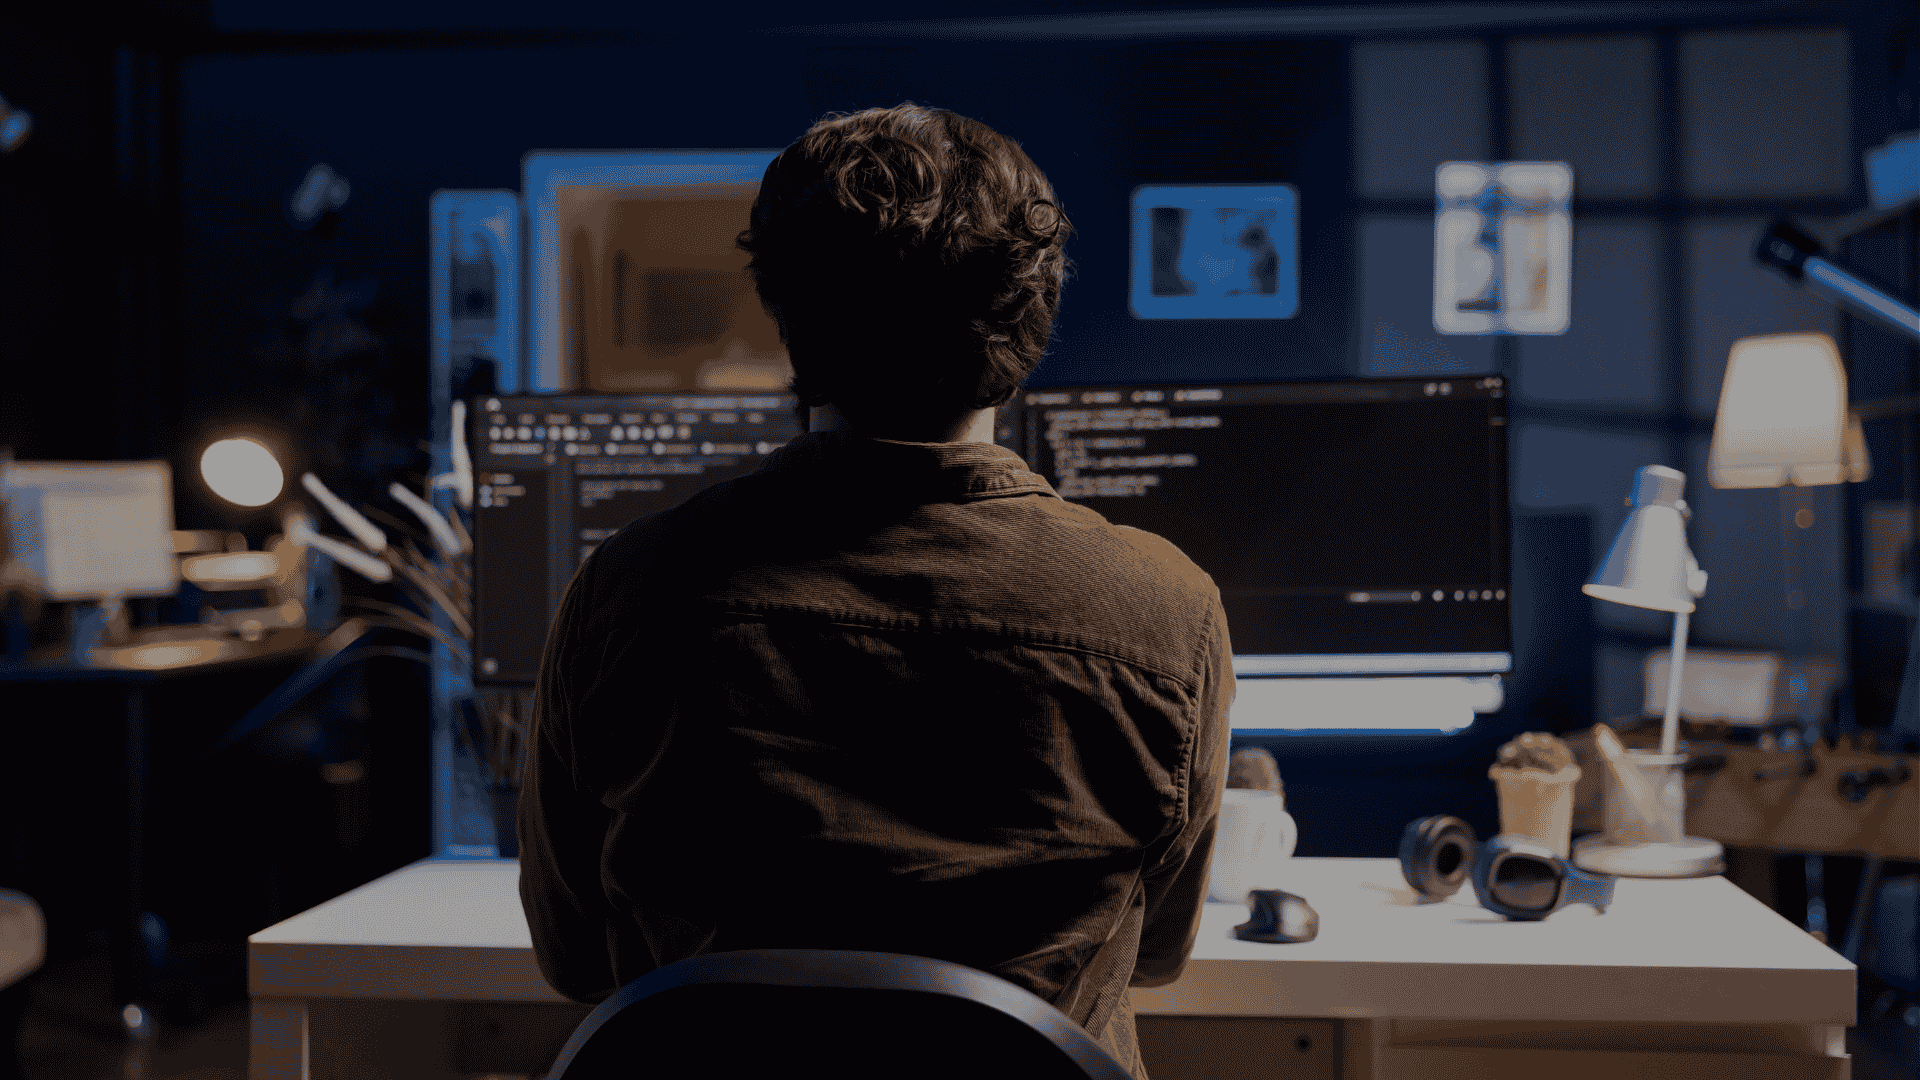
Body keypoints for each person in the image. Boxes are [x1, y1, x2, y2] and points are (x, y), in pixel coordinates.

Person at [518, 103, 1233, 1079]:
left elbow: (572, 958)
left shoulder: (627, 592)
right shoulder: (1167, 609)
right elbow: (1156, 953)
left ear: (786, 319)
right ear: (1033, 318)